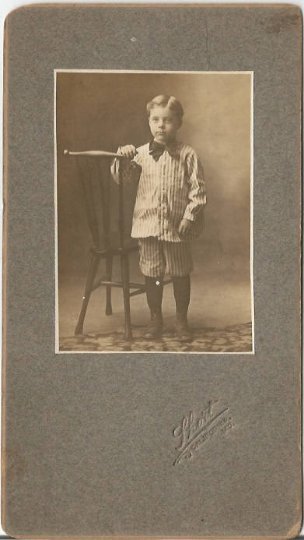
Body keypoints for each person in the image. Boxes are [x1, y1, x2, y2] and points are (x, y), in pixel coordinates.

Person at [111, 94, 206, 341]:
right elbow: (122, 180)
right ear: (149, 122)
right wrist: (122, 158)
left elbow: (198, 190)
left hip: (177, 227)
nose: (161, 125)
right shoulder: (140, 154)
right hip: (148, 224)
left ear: (179, 123)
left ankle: (181, 321)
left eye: (168, 120)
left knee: (179, 272)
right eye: (155, 119)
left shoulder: (187, 154)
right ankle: (156, 319)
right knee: (152, 273)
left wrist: (189, 217)